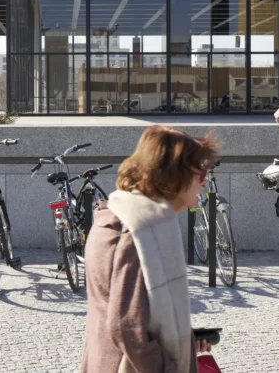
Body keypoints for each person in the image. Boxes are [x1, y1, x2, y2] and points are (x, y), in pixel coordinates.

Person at [81, 125, 219, 372]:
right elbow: (127, 327)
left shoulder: (116, 214)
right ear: (175, 175)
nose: (204, 182)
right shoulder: (139, 230)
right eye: (200, 173)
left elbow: (139, 315)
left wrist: (184, 343)